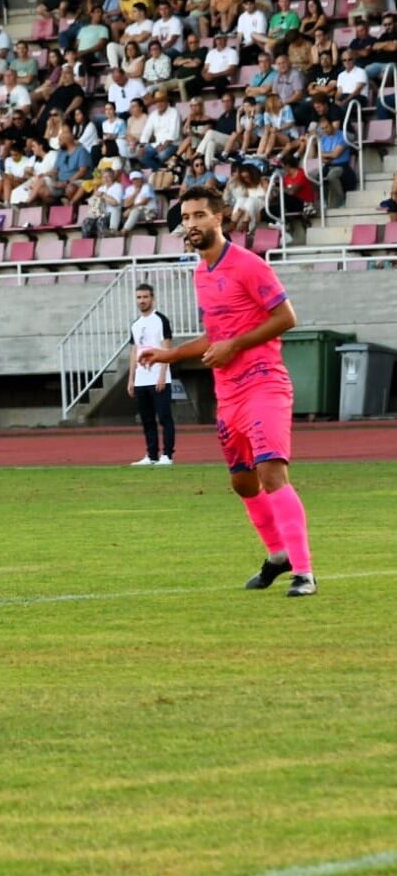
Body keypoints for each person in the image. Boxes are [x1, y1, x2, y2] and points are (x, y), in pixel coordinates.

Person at [137, 186, 316, 597]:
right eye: (186, 218)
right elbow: (216, 336)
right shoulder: (201, 273)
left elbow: (286, 317)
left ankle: (304, 572)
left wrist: (235, 346)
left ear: (220, 218)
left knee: (272, 473)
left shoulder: (248, 266)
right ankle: (277, 556)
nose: (192, 224)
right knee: (242, 483)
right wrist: (169, 355)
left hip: (264, 382)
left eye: (200, 215)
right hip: (229, 391)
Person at [127, 283, 175, 466]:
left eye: (145, 297)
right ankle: (152, 455)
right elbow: (134, 351)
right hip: (141, 379)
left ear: (152, 298)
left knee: (164, 417)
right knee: (147, 420)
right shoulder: (136, 324)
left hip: (158, 377)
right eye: (139, 297)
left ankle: (168, 455)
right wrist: (131, 379)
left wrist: (162, 374)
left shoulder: (160, 320)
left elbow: (166, 348)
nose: (142, 301)